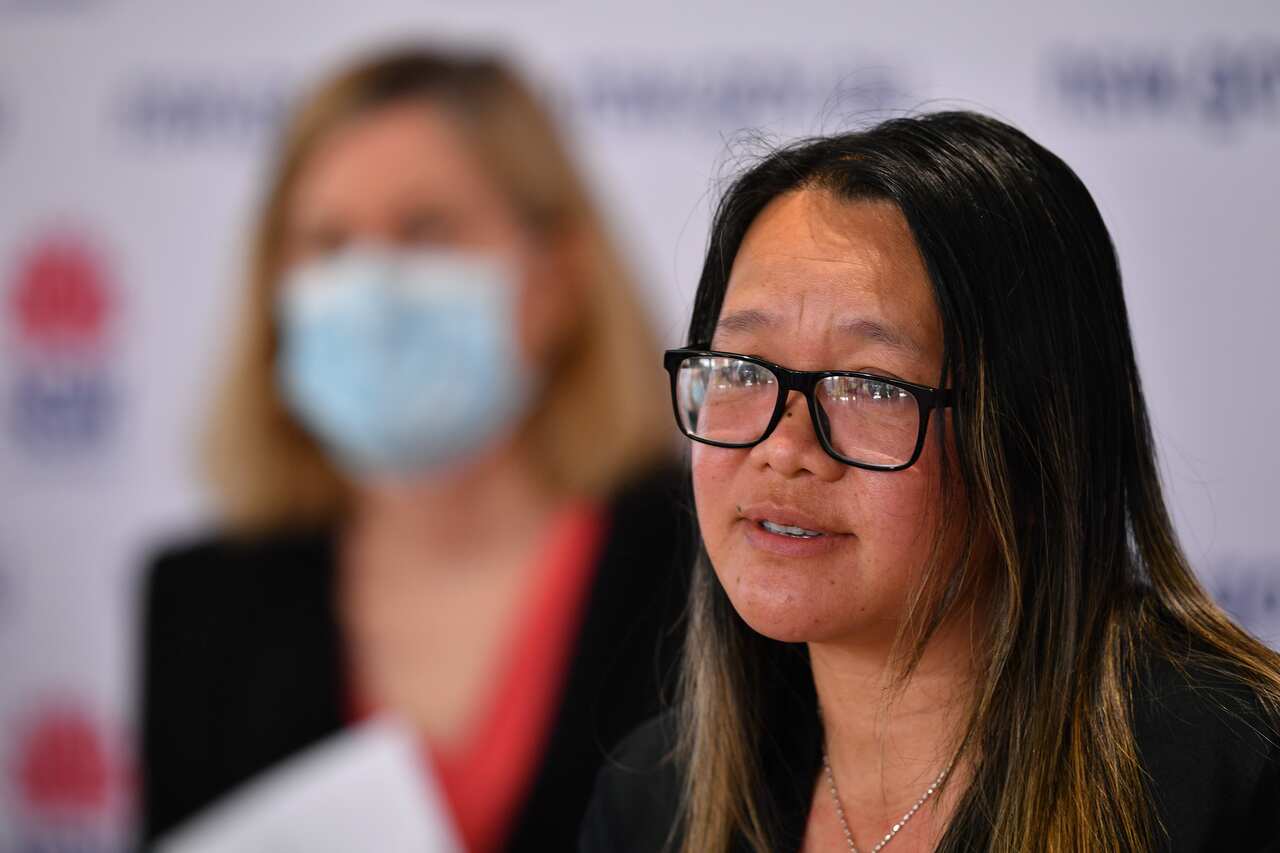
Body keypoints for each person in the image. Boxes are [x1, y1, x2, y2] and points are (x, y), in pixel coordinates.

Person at [580, 111, 1280, 852]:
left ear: (1032, 441)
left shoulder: (1232, 775)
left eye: (871, 385)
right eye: (741, 369)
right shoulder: (653, 801)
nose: (784, 448)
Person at [140, 47, 690, 852]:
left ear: (559, 276)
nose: (372, 287)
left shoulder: (703, 572)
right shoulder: (201, 602)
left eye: (424, 230)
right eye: (328, 243)